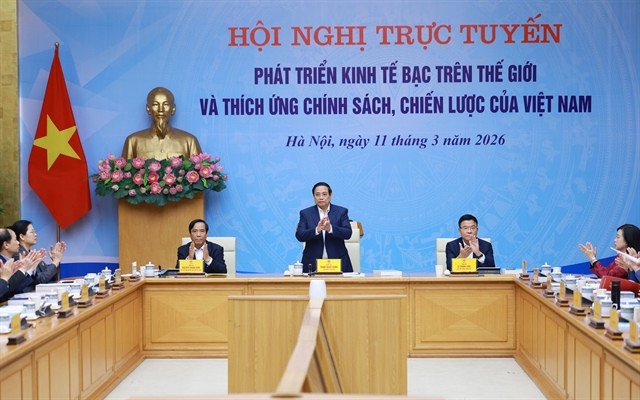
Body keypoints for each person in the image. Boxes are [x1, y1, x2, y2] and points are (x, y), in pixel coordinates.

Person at [121, 87, 202, 160]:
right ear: (148, 109)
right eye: (155, 104)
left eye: (166, 104)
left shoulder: (190, 141)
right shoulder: (133, 141)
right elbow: (124, 170)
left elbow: (199, 170)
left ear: (173, 109)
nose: (161, 109)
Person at [295, 182, 353, 273]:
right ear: (314, 197)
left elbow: (348, 233)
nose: (321, 197)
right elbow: (300, 235)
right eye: (317, 194)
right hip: (312, 263)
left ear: (330, 195)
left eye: (324, 194)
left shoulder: (341, 212)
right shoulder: (305, 213)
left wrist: (330, 228)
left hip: (338, 263)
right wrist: (317, 230)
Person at [9, 220, 65, 292]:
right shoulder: (19, 255)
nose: (35, 234)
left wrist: (56, 260)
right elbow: (40, 280)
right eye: (32, 232)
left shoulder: (32, 253)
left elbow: (53, 277)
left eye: (35, 232)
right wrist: (55, 262)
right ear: (22, 236)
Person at [0, 228, 42, 302]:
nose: (18, 242)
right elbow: (9, 291)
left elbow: (13, 288)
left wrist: (29, 269)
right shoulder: (1, 263)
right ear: (6, 245)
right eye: (15, 240)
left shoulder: (11, 261)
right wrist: (24, 269)